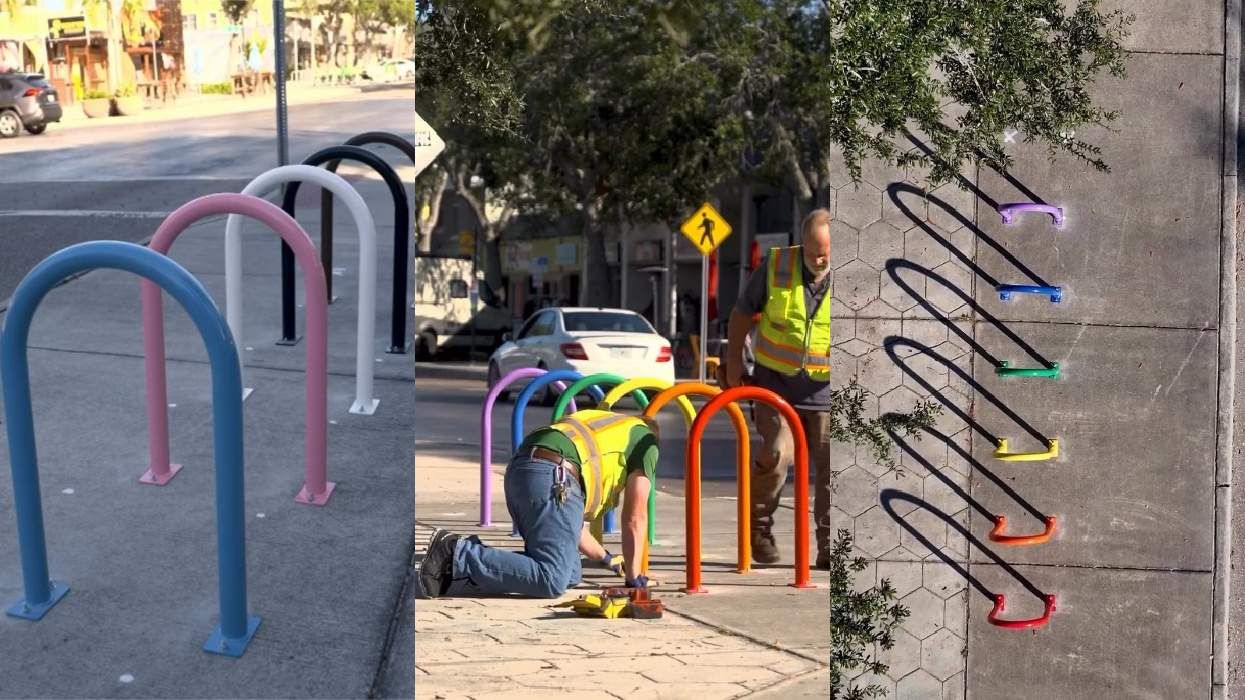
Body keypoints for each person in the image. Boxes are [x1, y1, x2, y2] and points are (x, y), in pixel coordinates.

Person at [417, 410, 660, 598]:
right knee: (552, 579)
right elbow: (635, 516)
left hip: (524, 470)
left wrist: (607, 559)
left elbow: (570, 524)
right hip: (554, 476)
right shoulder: (646, 440)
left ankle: (452, 571)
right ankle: (457, 553)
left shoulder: (609, 428)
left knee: (569, 574)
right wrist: (634, 577)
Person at [725, 208, 832, 568]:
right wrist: (734, 362)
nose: (822, 259)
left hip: (825, 394)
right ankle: (758, 528)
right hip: (774, 387)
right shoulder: (776, 267)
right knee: (777, 452)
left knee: (833, 468)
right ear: (803, 244)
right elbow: (741, 313)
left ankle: (830, 545)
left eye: (828, 252)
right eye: (816, 251)